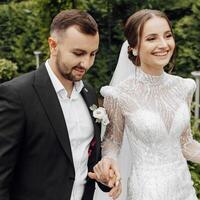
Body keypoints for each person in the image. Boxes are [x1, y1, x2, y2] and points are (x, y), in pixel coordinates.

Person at [93, 9, 200, 200]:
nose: (163, 44)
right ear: (134, 47)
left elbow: (186, 145)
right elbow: (112, 141)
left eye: (167, 36)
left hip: (184, 189)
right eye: (152, 38)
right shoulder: (118, 94)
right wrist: (109, 160)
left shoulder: (184, 87)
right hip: (147, 191)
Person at [0, 9, 121, 200]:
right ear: (53, 45)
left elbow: (84, 163)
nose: (86, 63)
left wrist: (103, 177)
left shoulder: (89, 94)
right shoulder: (16, 95)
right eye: (78, 53)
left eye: (93, 54)